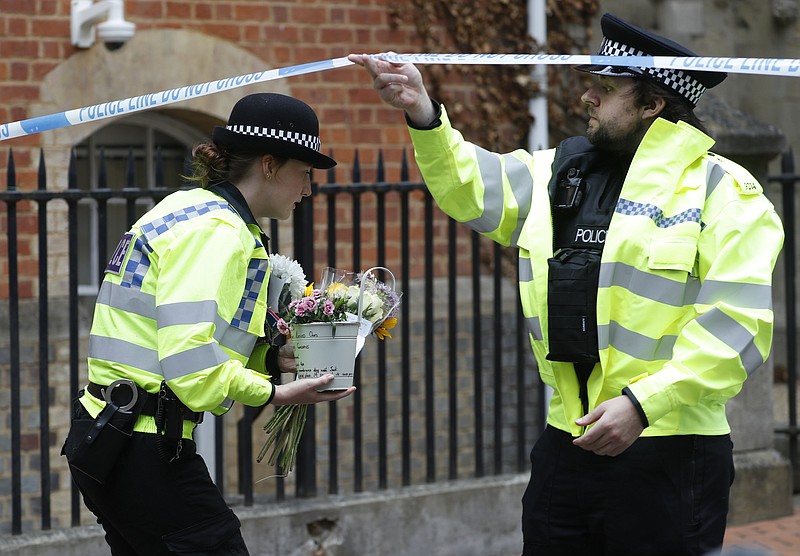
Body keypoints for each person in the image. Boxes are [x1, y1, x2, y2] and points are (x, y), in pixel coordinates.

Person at [349, 12, 784, 556]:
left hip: (671, 449)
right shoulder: (558, 171)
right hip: (568, 443)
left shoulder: (725, 193)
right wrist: (421, 111)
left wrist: (642, 405)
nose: (587, 98)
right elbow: (469, 187)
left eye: (606, 88)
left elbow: (737, 326)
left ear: (653, 104)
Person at [61, 92, 355, 555]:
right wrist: (276, 393)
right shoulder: (217, 232)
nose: (308, 189)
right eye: (305, 173)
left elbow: (188, 335)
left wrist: (270, 356)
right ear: (270, 164)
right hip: (143, 449)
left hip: (111, 436)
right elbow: (190, 363)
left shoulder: (190, 209)